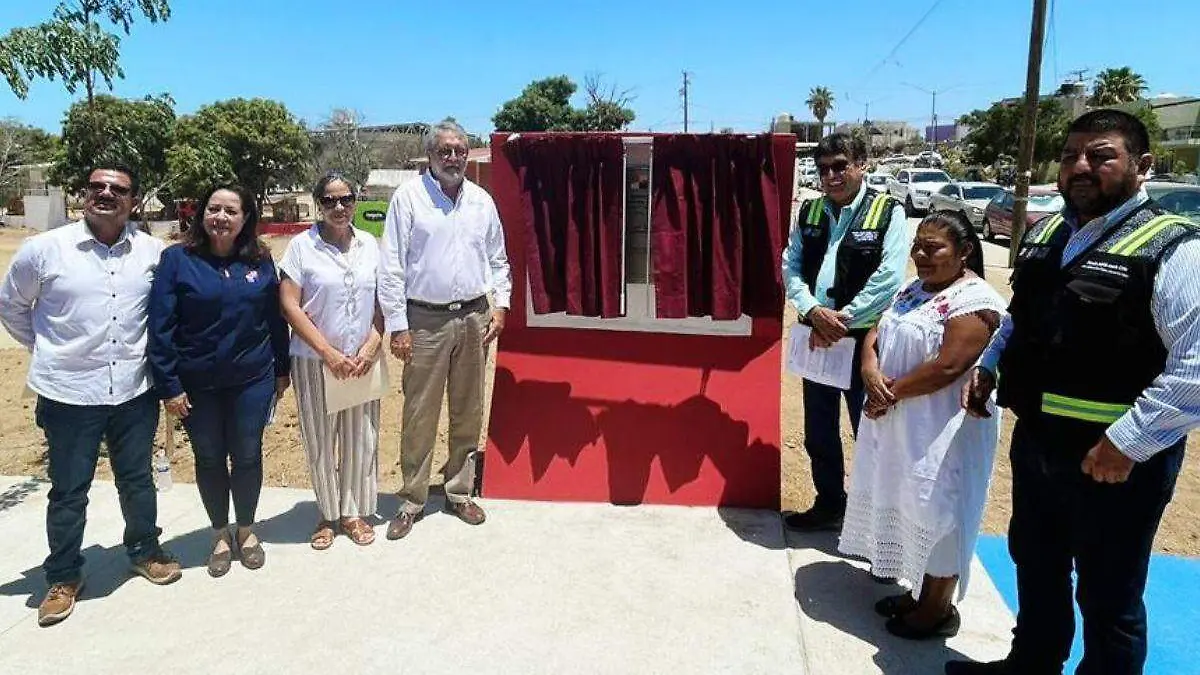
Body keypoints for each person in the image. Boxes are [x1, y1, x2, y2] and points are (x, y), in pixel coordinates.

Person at [948, 110, 1200, 674]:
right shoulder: (1047, 235)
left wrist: (1127, 444)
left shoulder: (1173, 249)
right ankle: (1031, 665)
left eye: (1101, 155)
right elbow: (1020, 317)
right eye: (1070, 156)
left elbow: (1196, 369)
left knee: (1108, 599)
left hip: (1112, 462)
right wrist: (989, 364)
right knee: (1036, 567)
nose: (1081, 167)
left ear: (1143, 165)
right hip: (1040, 445)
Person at [0, 165, 182, 627]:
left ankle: (144, 550)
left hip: (133, 392)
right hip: (69, 394)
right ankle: (63, 575)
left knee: (136, 479)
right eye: (97, 186)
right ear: (85, 194)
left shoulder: (151, 252)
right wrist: (48, 350)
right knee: (68, 491)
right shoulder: (44, 250)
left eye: (117, 189)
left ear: (133, 201)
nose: (105, 194)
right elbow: (12, 307)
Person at [838, 211, 1006, 640]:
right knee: (908, 500)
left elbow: (950, 365)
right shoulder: (914, 288)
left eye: (933, 248)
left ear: (964, 251)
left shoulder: (975, 301)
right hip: (898, 423)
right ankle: (917, 592)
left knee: (939, 508)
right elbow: (876, 331)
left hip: (939, 433)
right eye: (918, 246)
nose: (921, 256)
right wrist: (870, 371)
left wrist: (885, 395)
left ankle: (938, 608)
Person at [147, 185, 290, 578]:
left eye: (231, 210)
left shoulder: (261, 262)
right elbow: (161, 328)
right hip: (197, 385)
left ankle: (245, 530)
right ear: (202, 214)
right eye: (214, 209)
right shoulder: (177, 260)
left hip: (252, 379)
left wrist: (282, 370)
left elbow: (275, 321)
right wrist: (170, 385)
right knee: (209, 458)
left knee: (247, 454)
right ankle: (219, 534)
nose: (221, 217)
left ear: (246, 219)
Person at [377, 119, 511, 539]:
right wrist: (398, 326)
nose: (452, 157)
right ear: (431, 155)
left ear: (467, 153)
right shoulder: (409, 198)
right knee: (419, 412)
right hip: (425, 320)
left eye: (459, 149)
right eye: (444, 150)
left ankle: (459, 491)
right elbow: (391, 266)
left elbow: (498, 259)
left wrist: (501, 305)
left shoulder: (481, 201)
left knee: (468, 407)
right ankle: (412, 499)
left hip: (473, 316)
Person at [781, 133, 912, 531]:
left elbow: (889, 277)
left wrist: (842, 320)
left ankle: (874, 523)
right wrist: (812, 309)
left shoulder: (888, 211)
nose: (832, 176)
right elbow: (791, 265)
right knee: (819, 429)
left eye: (840, 165)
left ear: (861, 165)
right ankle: (829, 504)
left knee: (870, 431)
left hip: (862, 343)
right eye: (824, 169)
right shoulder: (811, 211)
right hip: (816, 337)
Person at [279, 172, 383, 549]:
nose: (339, 207)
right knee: (320, 441)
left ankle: (353, 513)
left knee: (360, 438)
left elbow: (383, 301)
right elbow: (289, 304)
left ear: (356, 200)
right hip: (314, 360)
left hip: (362, 361)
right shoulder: (301, 247)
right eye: (329, 201)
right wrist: (328, 352)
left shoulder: (371, 244)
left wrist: (372, 346)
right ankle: (327, 513)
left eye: (346, 199)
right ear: (318, 204)